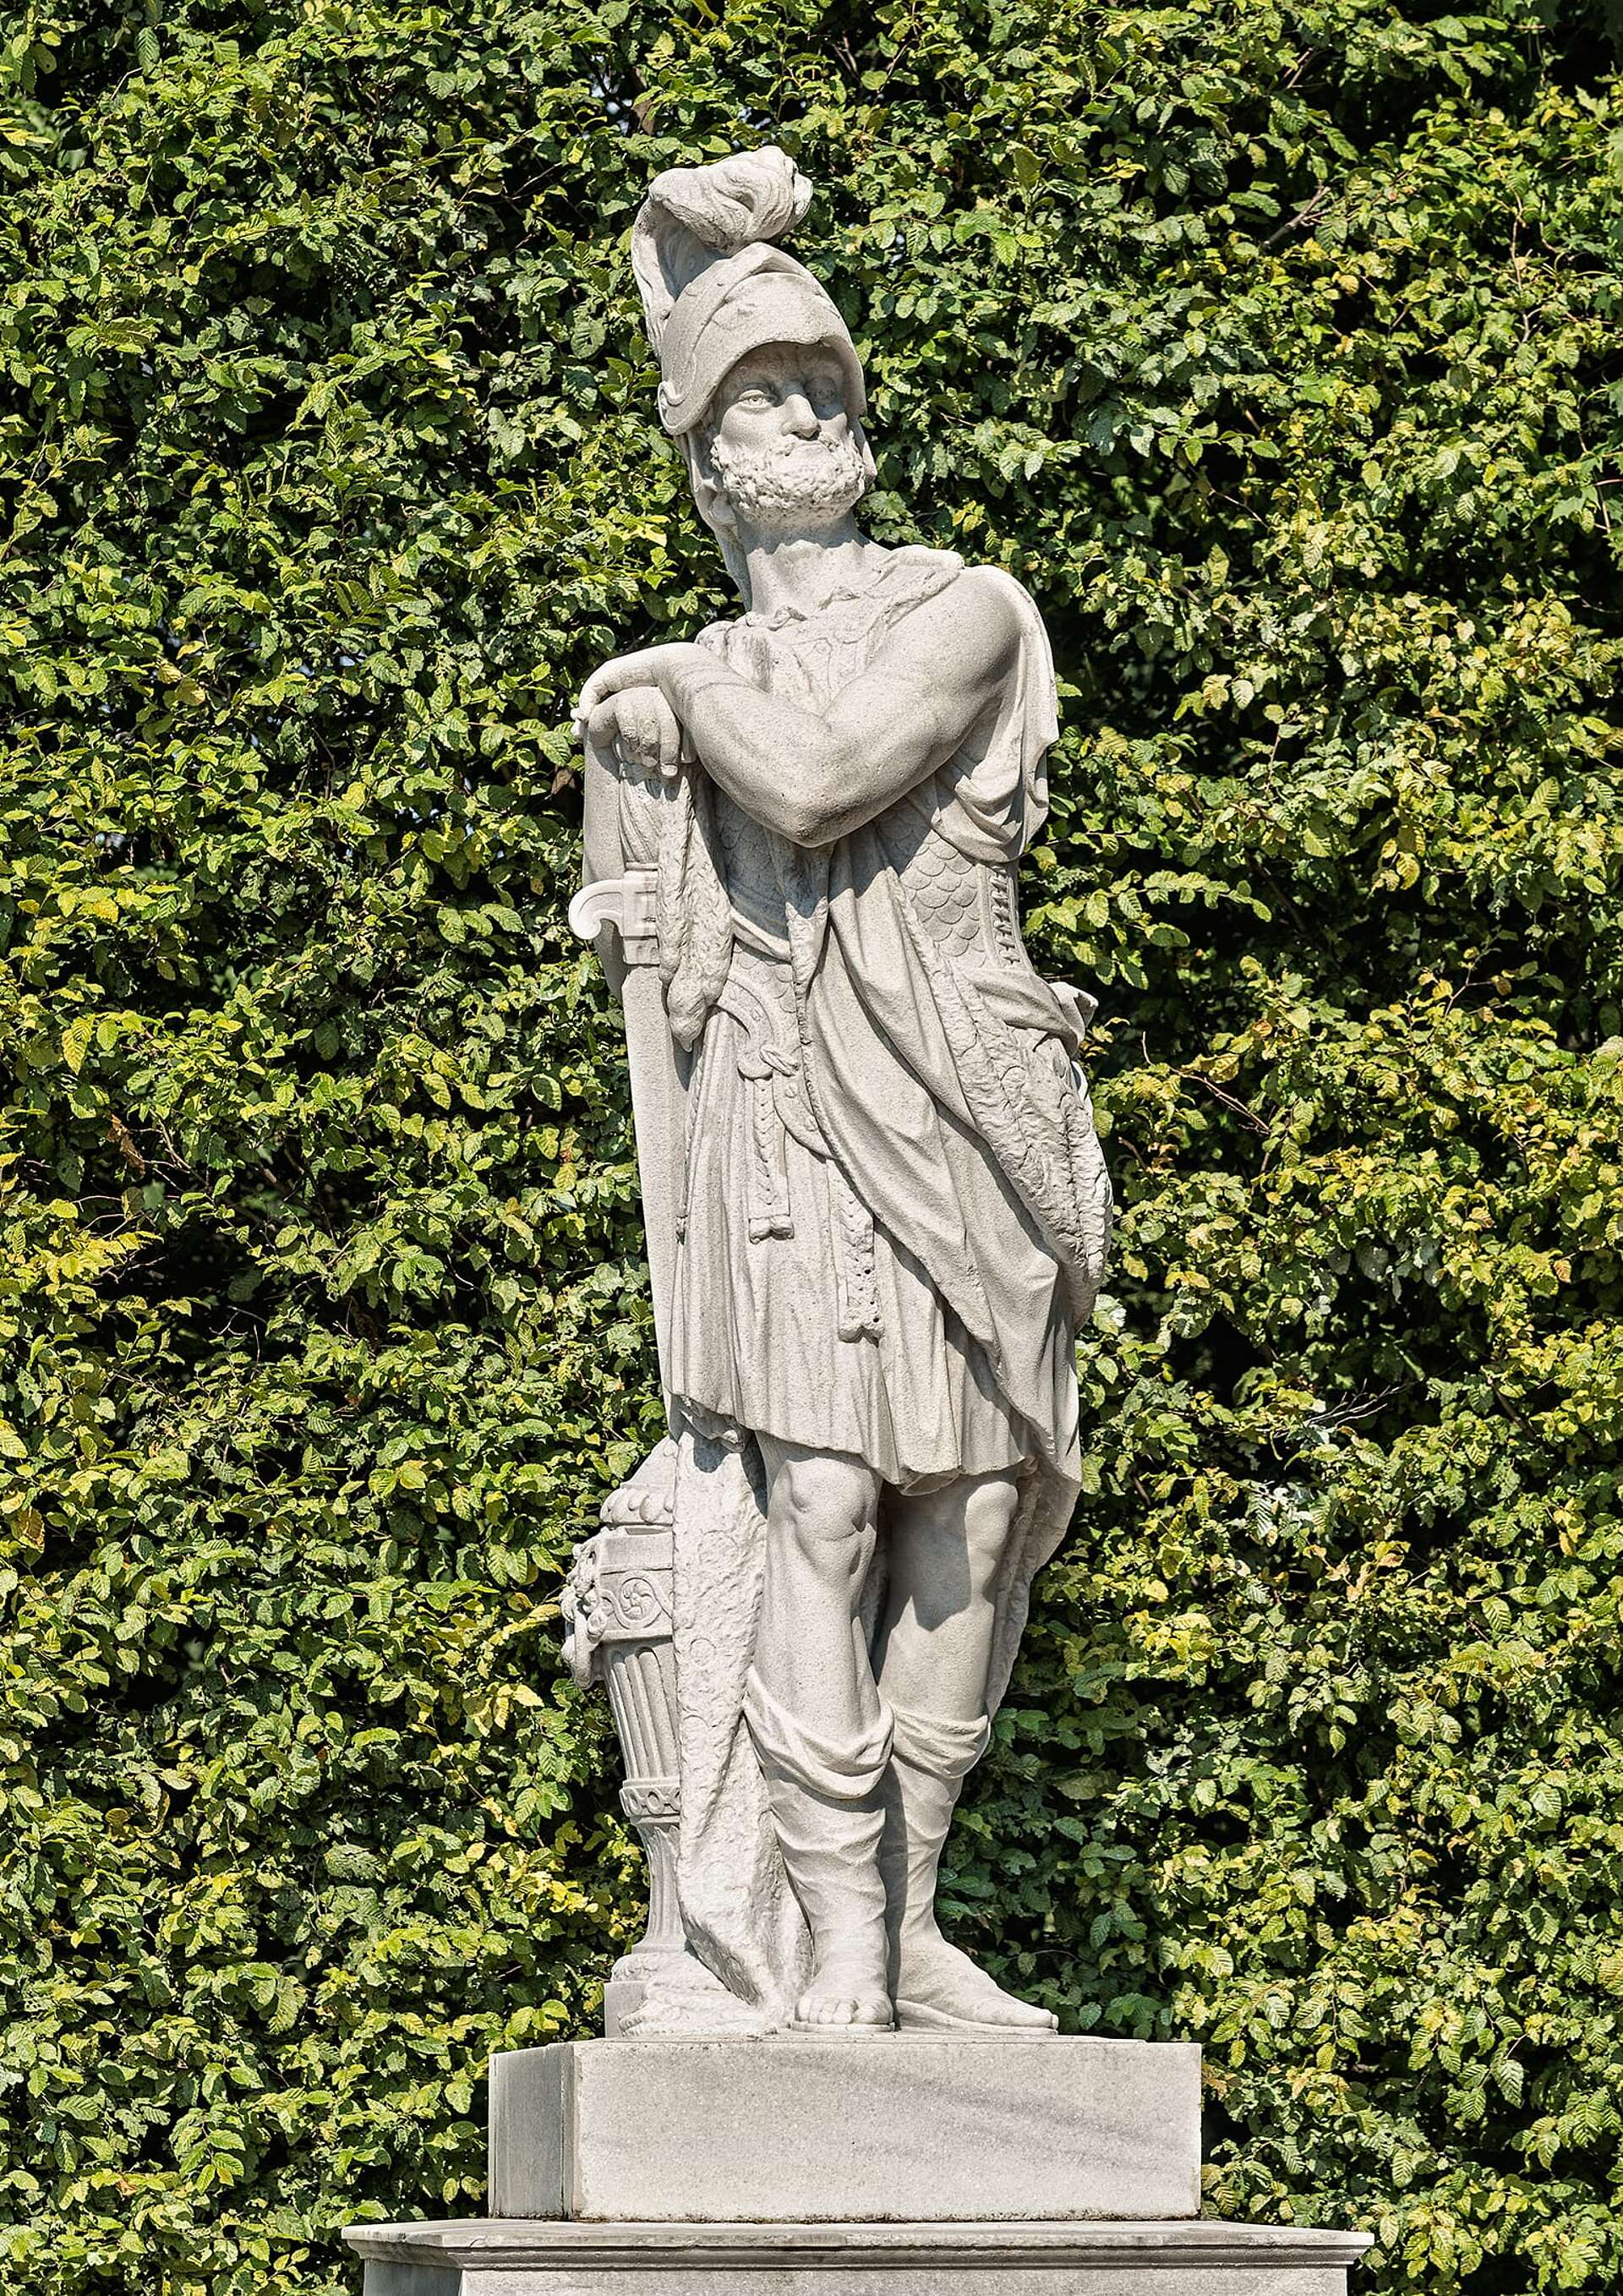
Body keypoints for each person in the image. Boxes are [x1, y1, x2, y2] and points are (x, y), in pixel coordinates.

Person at [574, 149, 1111, 2035]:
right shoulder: (692, 681)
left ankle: (915, 1906)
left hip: (971, 1106)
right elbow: (649, 945)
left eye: (822, 386)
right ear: (707, 464)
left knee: (978, 1507)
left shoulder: (964, 611)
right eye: (759, 399)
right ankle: (837, 1943)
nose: (802, 417)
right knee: (816, 1496)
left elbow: (819, 783)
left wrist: (664, 679)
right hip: (787, 1109)